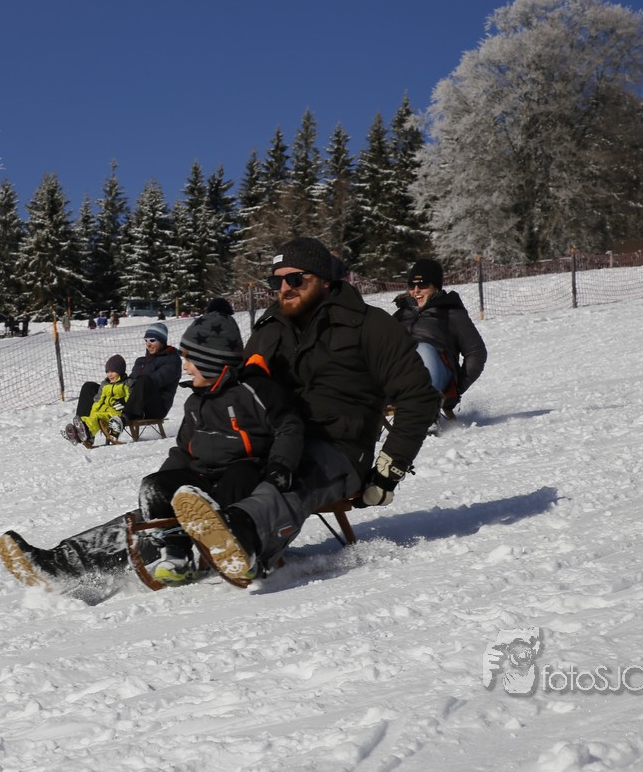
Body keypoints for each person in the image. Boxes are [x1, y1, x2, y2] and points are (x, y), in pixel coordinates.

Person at [167, 236, 440, 587]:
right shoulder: (269, 328)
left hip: (338, 448)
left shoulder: (369, 325)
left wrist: (390, 469)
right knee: (220, 467)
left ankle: (244, 535)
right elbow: (241, 388)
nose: (285, 288)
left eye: (295, 279)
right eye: (276, 281)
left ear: (324, 279)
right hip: (277, 437)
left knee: (295, 475)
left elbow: (419, 396)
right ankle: (158, 538)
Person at [2, 311, 304, 595]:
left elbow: (289, 427)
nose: (185, 367)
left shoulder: (255, 391)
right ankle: (63, 563)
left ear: (211, 361)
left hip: (243, 477)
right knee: (152, 492)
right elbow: (183, 450)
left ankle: (230, 543)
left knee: (235, 477)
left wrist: (281, 467)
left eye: (190, 360)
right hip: (200, 481)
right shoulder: (196, 402)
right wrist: (161, 487)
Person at [392, 258, 487, 415]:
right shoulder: (400, 315)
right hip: (403, 377)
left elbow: (476, 352)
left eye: (422, 285)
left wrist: (458, 387)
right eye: (411, 286)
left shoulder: (450, 313)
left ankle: (425, 405)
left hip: (438, 376)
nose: (416, 290)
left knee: (423, 349)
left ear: (435, 287)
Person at [63, 355, 130, 447]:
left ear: (120, 371)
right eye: (107, 372)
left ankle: (84, 432)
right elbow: (98, 400)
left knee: (97, 419)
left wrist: (124, 404)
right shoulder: (105, 384)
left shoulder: (126, 384)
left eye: (113, 371)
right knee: (92, 418)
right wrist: (94, 411)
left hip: (114, 412)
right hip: (102, 410)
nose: (110, 375)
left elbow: (130, 399)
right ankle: (78, 433)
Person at [122, 321, 180, 422]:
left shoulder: (172, 360)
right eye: (146, 340)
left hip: (156, 408)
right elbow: (130, 381)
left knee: (144, 380)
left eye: (152, 340)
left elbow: (154, 381)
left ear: (162, 341)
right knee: (94, 387)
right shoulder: (141, 361)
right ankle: (90, 423)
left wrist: (132, 385)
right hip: (133, 401)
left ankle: (124, 418)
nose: (148, 344)